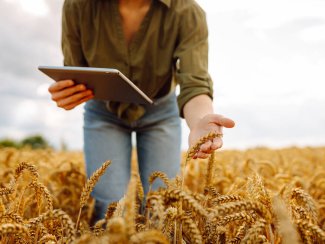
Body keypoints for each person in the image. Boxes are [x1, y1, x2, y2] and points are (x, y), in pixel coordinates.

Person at [48, 0, 235, 222]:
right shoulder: (77, 6)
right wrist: (69, 91)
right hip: (103, 110)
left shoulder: (187, 12)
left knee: (162, 206)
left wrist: (200, 120)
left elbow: (195, 84)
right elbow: (76, 72)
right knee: (109, 209)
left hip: (162, 111)